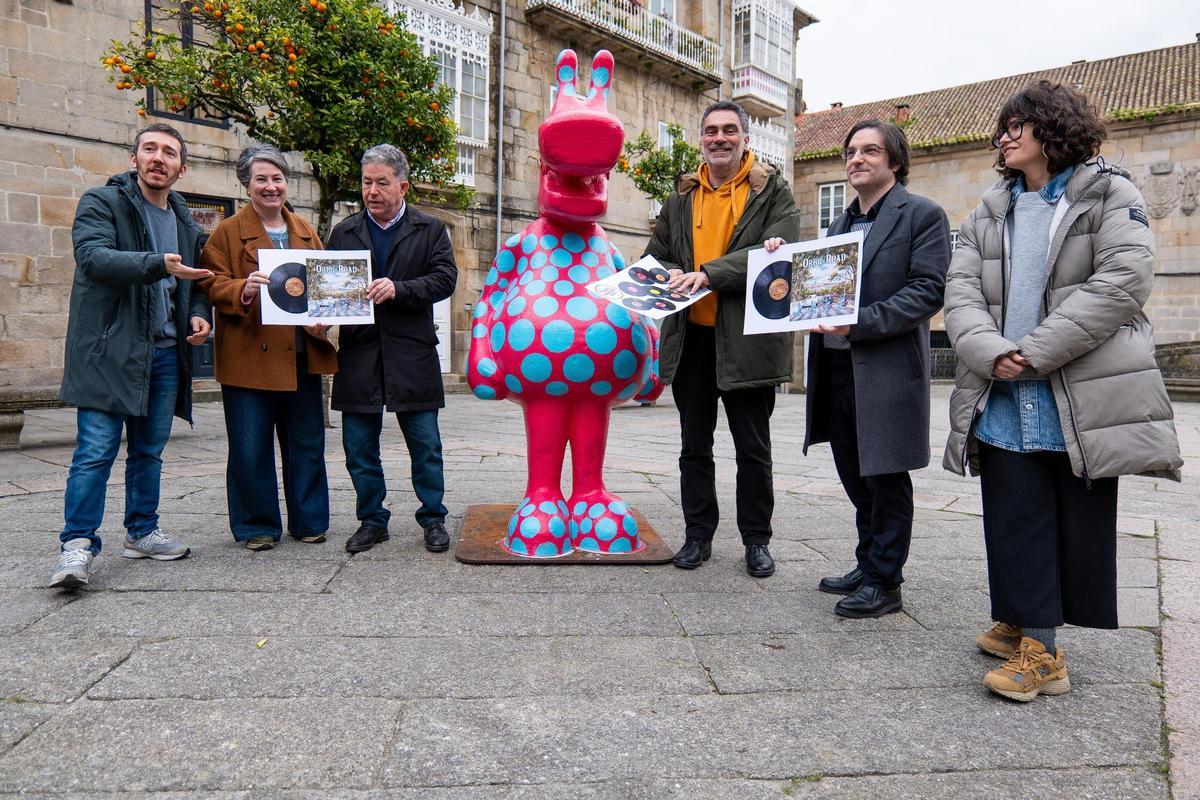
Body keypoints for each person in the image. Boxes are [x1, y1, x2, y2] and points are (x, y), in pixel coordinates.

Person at [943, 80, 1181, 701]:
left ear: (1055, 128)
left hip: (1075, 387)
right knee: (1013, 509)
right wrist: (992, 352)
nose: (1006, 134)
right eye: (1004, 126)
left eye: (1020, 124)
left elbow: (1124, 281)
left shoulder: (1110, 195)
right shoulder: (988, 210)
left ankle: (1044, 654)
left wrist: (1035, 352)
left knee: (1073, 511)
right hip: (1001, 380)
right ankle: (1023, 617)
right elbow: (960, 289)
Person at [773, 119, 950, 618]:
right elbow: (816, 292)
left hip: (887, 369)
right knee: (854, 473)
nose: (857, 158)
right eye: (851, 151)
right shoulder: (840, 226)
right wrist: (780, 264)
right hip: (837, 370)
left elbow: (927, 290)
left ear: (894, 161)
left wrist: (858, 323)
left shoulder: (923, 215)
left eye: (870, 150)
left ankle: (885, 581)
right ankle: (867, 561)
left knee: (886, 477)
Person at [50, 123, 214, 589]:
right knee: (95, 452)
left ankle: (141, 531)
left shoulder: (185, 222)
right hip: (110, 351)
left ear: (181, 169)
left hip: (164, 354)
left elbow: (196, 284)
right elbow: (94, 258)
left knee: (149, 452)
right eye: (149, 149)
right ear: (133, 158)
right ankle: (77, 545)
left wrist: (199, 317)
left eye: (168, 153)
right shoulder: (103, 203)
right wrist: (157, 263)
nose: (158, 158)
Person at [644, 100, 800, 578]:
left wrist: (708, 275)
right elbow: (658, 255)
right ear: (701, 139)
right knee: (694, 446)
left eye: (729, 130)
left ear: (745, 139)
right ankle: (697, 536)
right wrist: (673, 274)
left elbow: (777, 255)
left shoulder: (775, 192)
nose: (719, 138)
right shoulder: (681, 196)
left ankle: (756, 541)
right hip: (692, 339)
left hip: (749, 343)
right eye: (711, 131)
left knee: (753, 448)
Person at [199, 145, 337, 551]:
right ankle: (256, 526)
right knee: (249, 447)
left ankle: (310, 520)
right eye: (261, 179)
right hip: (249, 356)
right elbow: (210, 282)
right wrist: (243, 288)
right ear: (246, 185)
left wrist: (326, 313)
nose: (271, 186)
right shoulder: (226, 232)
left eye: (277, 178)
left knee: (306, 443)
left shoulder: (306, 229)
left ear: (286, 183)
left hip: (300, 354)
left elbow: (324, 286)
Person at [328, 144, 457, 554]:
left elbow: (444, 279)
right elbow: (329, 289)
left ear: (403, 185)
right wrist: (317, 313)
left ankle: (433, 518)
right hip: (360, 352)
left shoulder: (430, 229)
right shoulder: (344, 231)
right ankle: (372, 520)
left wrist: (399, 289)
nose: (372, 191)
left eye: (382, 183)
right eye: (367, 182)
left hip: (411, 352)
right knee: (358, 447)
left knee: (426, 446)